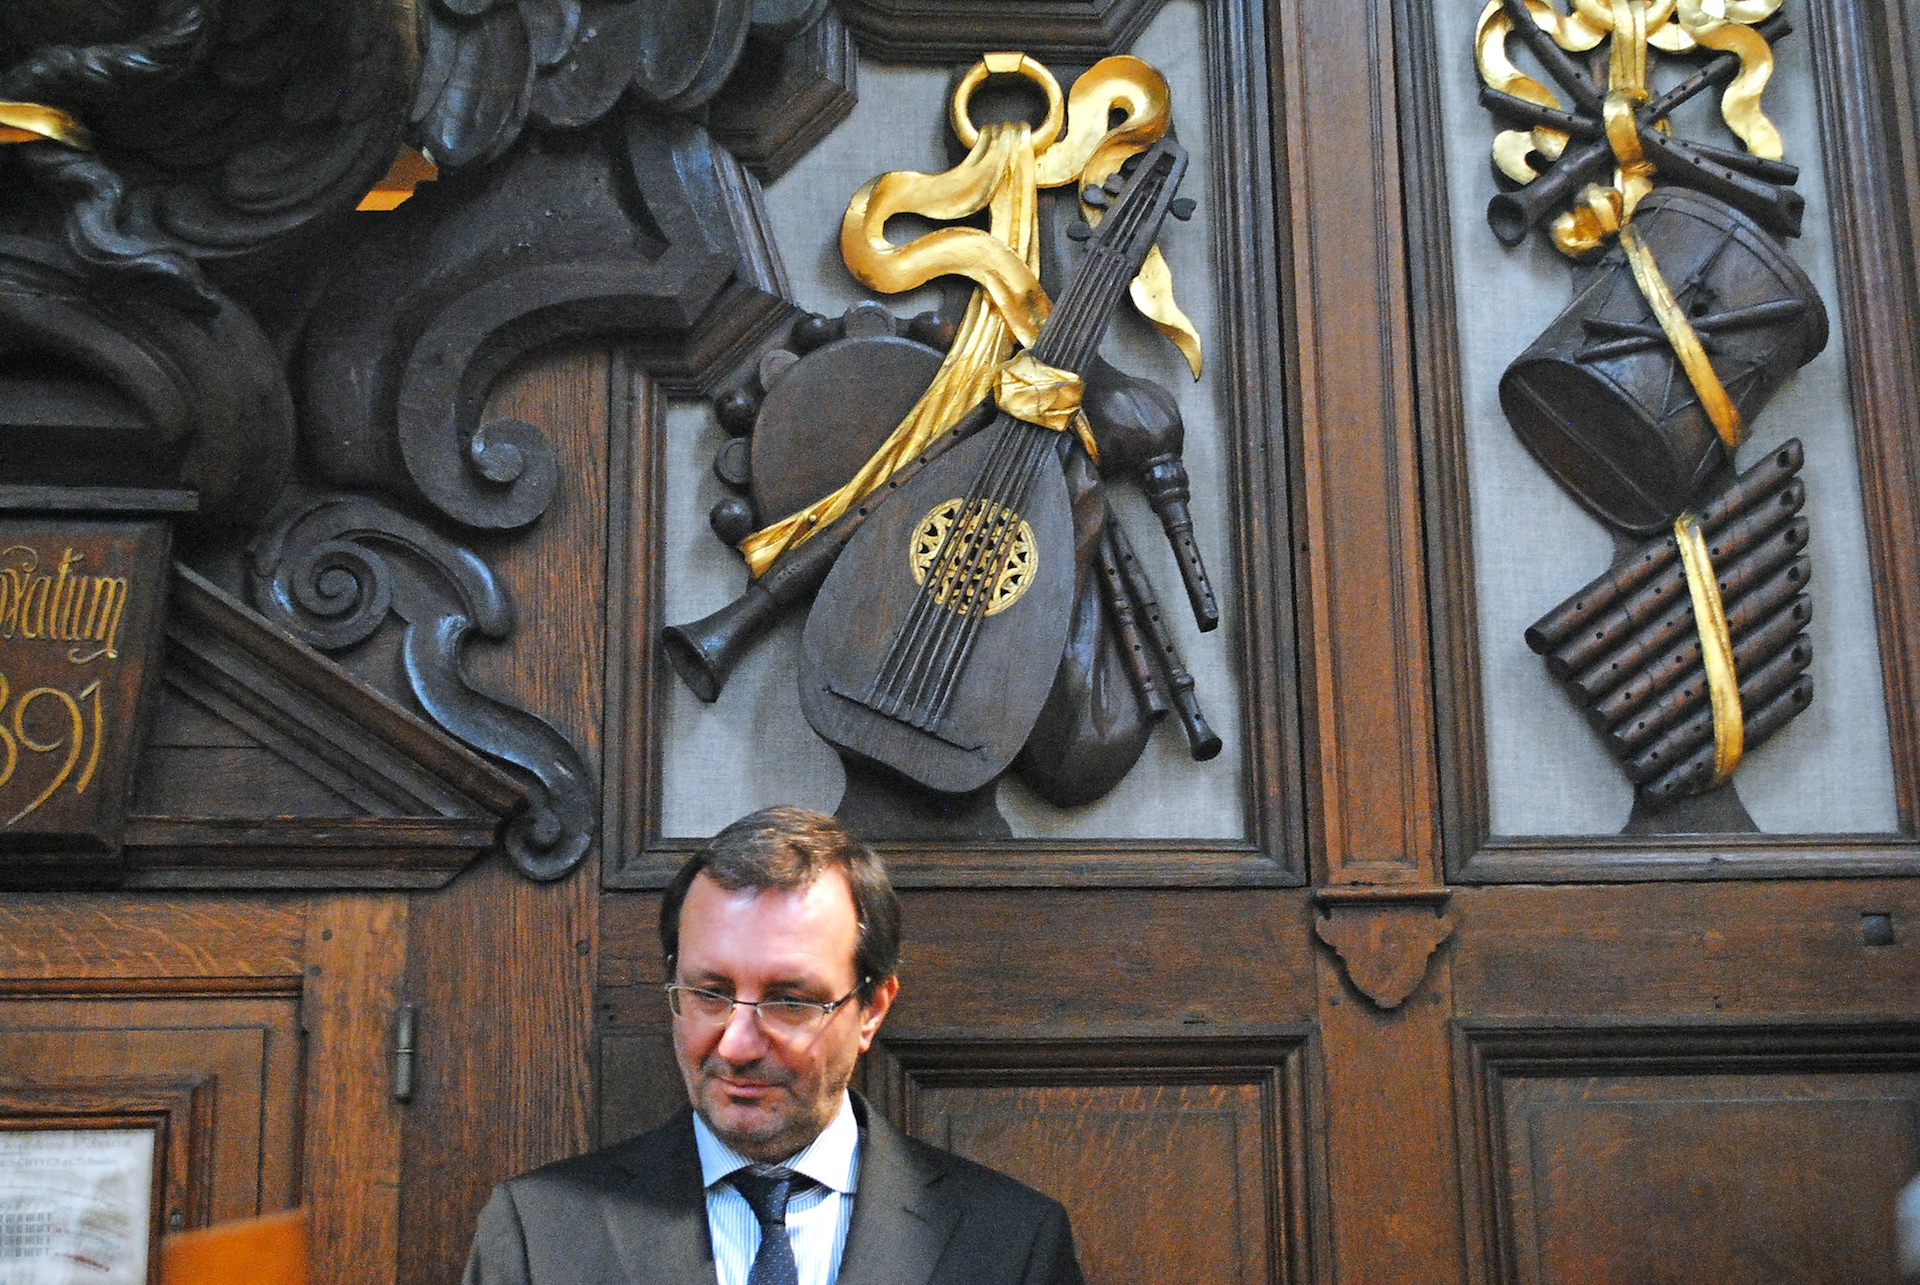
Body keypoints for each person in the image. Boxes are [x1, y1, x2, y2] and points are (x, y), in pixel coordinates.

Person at [463, 806, 1086, 1285]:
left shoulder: (1010, 1243)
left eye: (788, 1001)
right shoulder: (539, 1235)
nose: (735, 1044)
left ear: (871, 1008)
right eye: (710, 993)